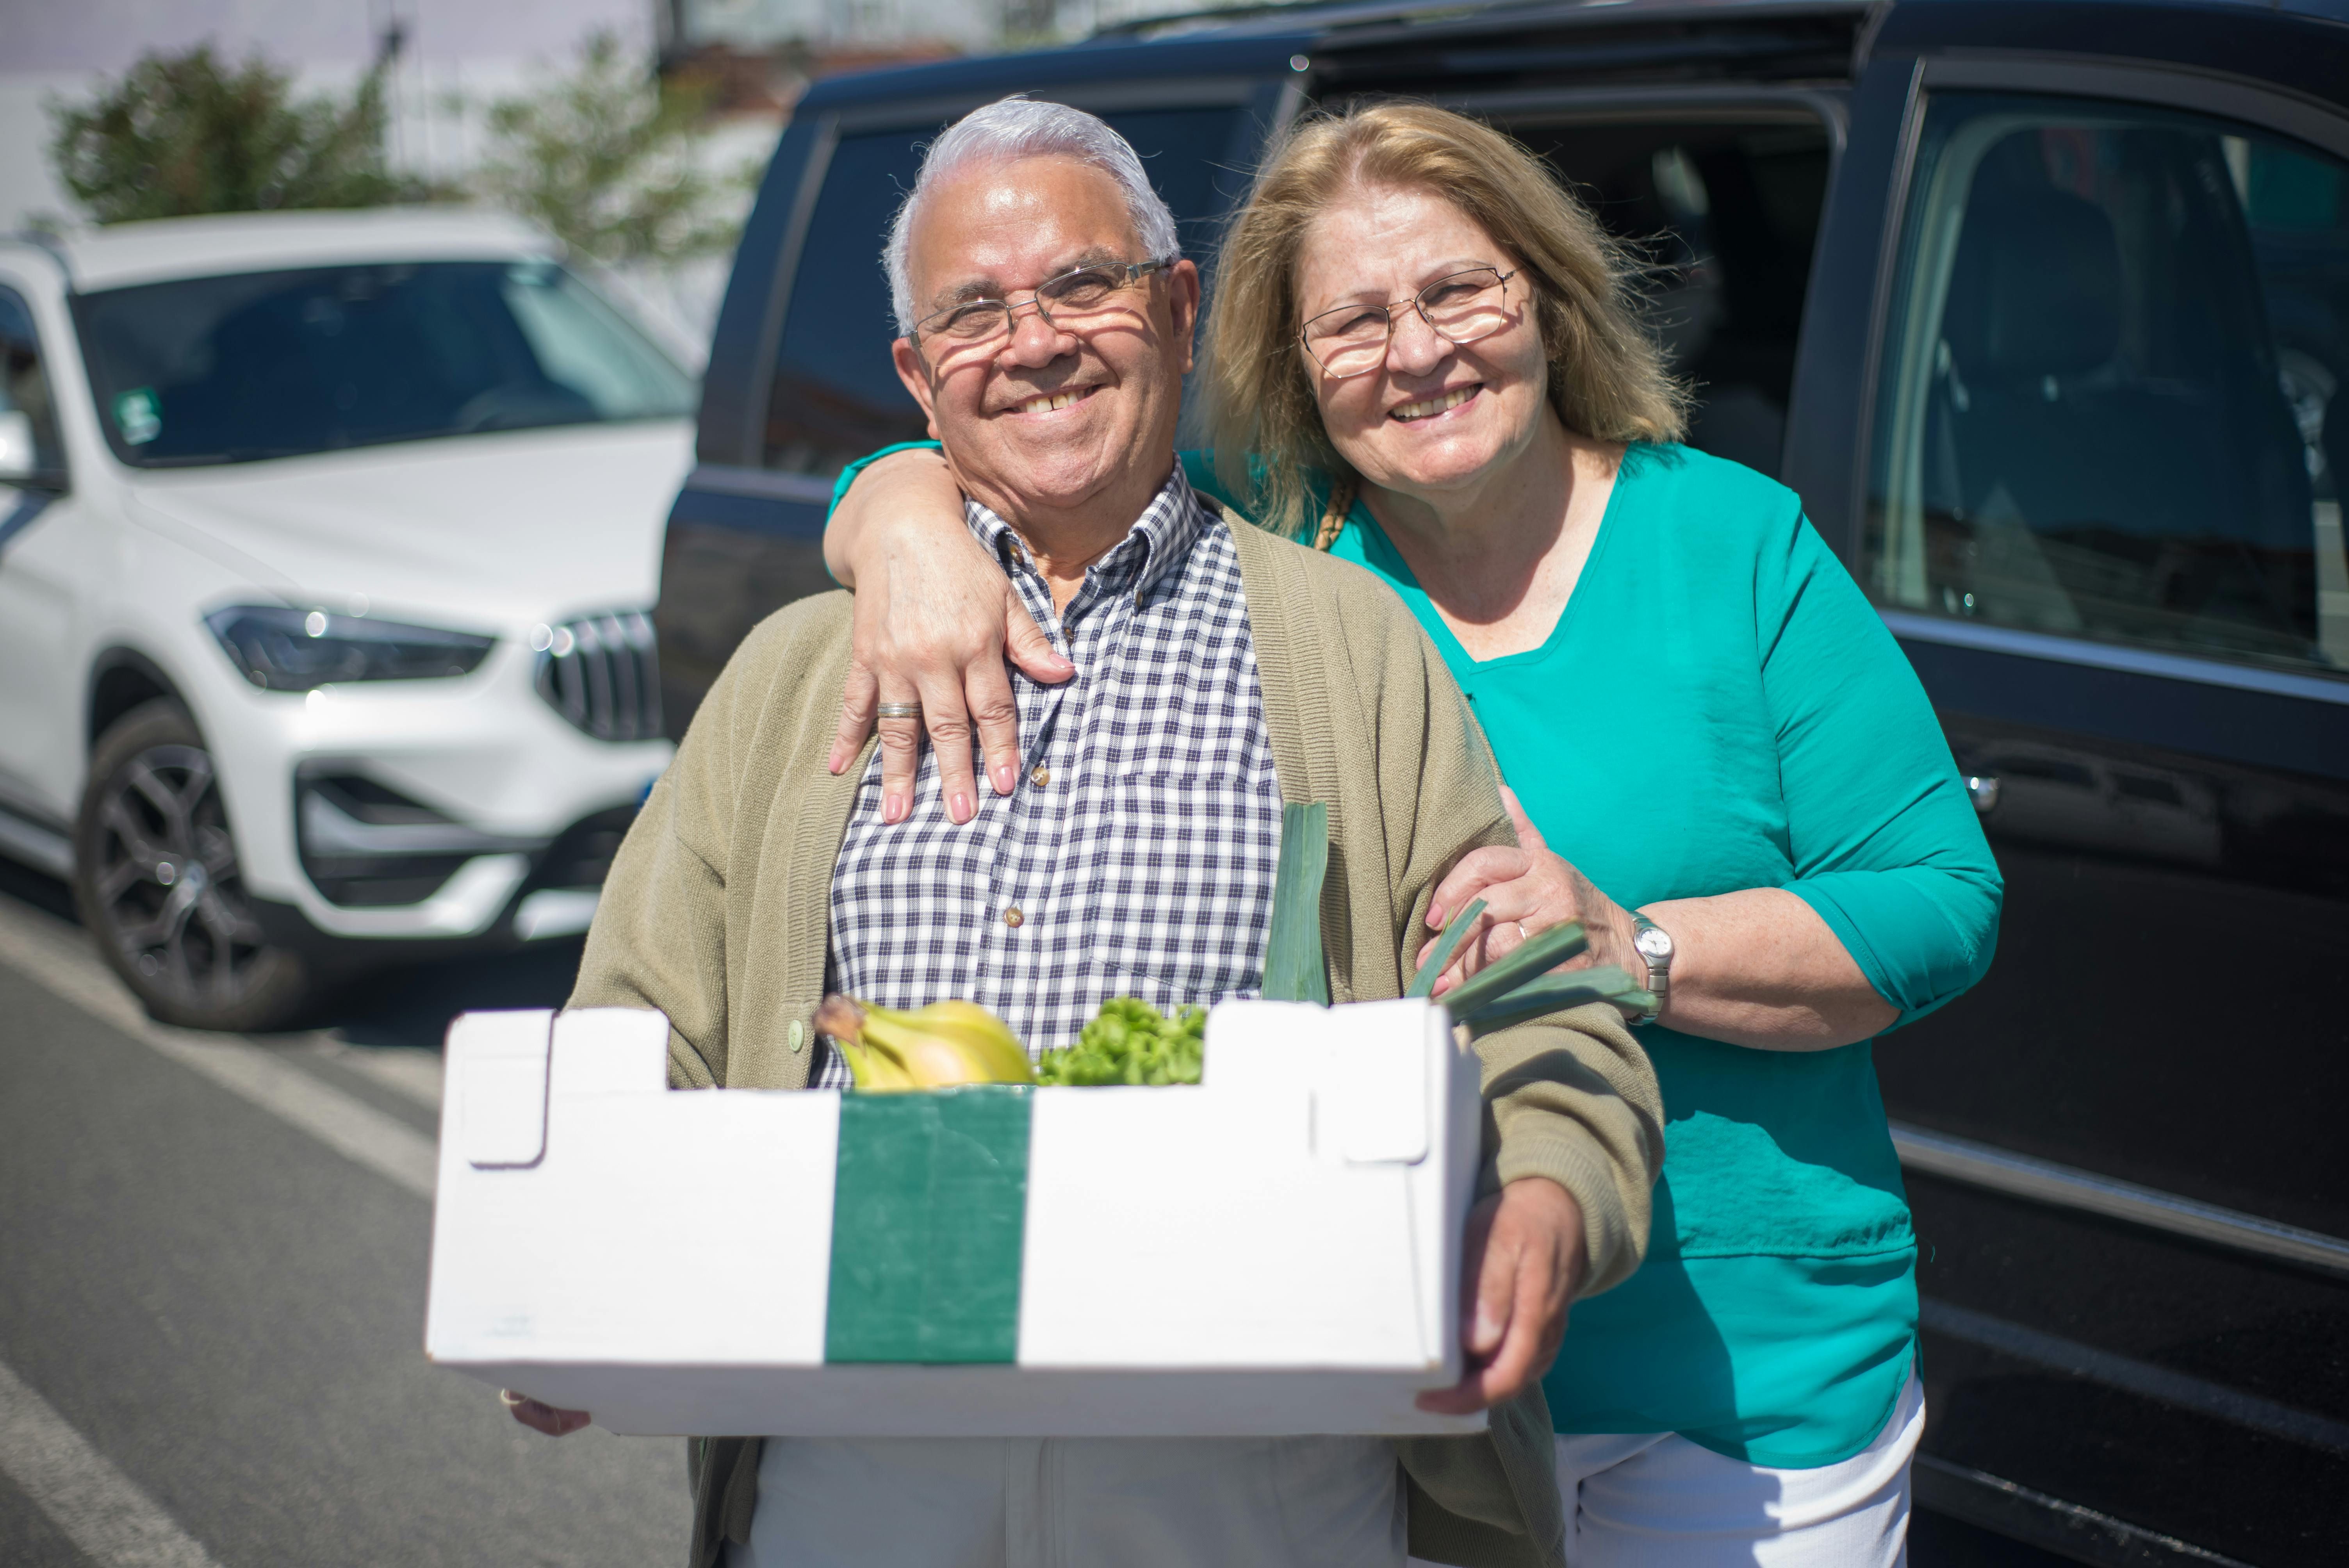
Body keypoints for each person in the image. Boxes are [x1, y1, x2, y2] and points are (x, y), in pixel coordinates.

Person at [823, 101, 2003, 1566]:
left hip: (1743, 1378)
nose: (1420, 352)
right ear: (1286, 364)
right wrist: (892, 512)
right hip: (1384, 1369)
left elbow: (1943, 903)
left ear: (1549, 301)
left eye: (1458, 291)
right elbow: (1038, 445)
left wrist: (1627, 941)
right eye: (1355, 322)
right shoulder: (1281, 568)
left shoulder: (1735, 549)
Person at [508, 98, 1666, 1568]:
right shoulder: (798, 672)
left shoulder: (1344, 643)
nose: (1036, 340)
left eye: (1082, 283)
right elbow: (640, 1019)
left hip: (1254, 1452)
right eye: (974, 312)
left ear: (1179, 310)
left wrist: (1556, 1189)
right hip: (859, 1442)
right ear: (918, 380)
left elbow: (1523, 983)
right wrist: (557, 1262)